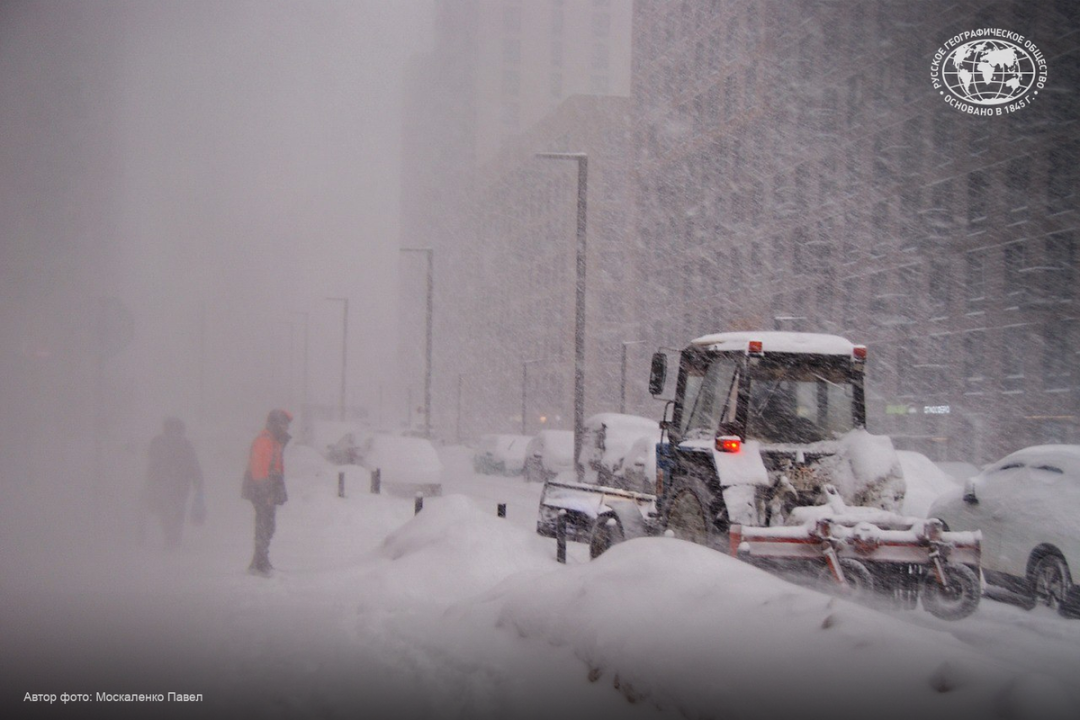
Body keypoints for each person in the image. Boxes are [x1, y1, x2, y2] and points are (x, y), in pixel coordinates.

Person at [242, 408, 292, 576]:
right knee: (265, 524)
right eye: (283, 424)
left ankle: (259, 561)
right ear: (275, 424)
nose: (286, 428)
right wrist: (267, 493)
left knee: (266, 525)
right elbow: (259, 470)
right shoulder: (265, 441)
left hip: (267, 487)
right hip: (263, 489)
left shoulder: (274, 440)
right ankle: (260, 562)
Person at [144, 417, 204, 550]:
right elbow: (193, 465)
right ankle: (174, 538)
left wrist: (150, 483)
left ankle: (170, 537)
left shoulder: (158, 442)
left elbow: (152, 465)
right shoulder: (185, 444)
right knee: (177, 511)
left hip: (164, 484)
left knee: (165, 510)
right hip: (179, 485)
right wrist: (198, 482)